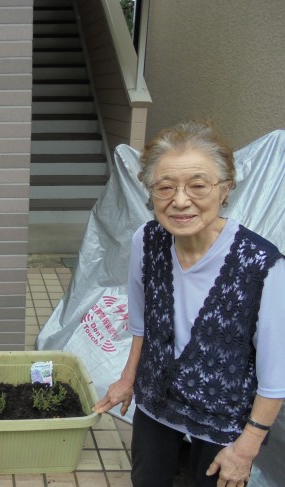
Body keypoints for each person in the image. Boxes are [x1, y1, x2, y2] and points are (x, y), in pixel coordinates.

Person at [93, 121, 285, 487]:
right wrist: (127, 379)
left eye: (198, 185)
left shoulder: (263, 265)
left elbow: (276, 375)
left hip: (223, 416)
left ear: (225, 188)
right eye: (165, 187)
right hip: (156, 400)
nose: (180, 201)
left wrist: (246, 448)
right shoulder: (147, 240)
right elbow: (141, 322)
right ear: (150, 191)